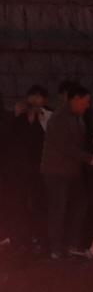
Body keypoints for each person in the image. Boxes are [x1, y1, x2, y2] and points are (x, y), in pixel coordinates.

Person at [41, 84, 93, 258]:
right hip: (57, 171)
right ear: (75, 99)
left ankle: (69, 243)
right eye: (86, 101)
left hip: (72, 171)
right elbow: (65, 145)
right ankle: (56, 247)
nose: (87, 105)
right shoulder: (60, 118)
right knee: (58, 208)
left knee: (78, 205)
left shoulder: (76, 118)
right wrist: (89, 158)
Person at [7, 85, 50, 249]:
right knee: (19, 204)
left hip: (38, 170)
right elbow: (11, 142)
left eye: (38, 97)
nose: (35, 100)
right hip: (20, 171)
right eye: (32, 96)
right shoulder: (18, 119)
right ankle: (21, 239)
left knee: (38, 204)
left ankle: (38, 238)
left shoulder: (46, 117)